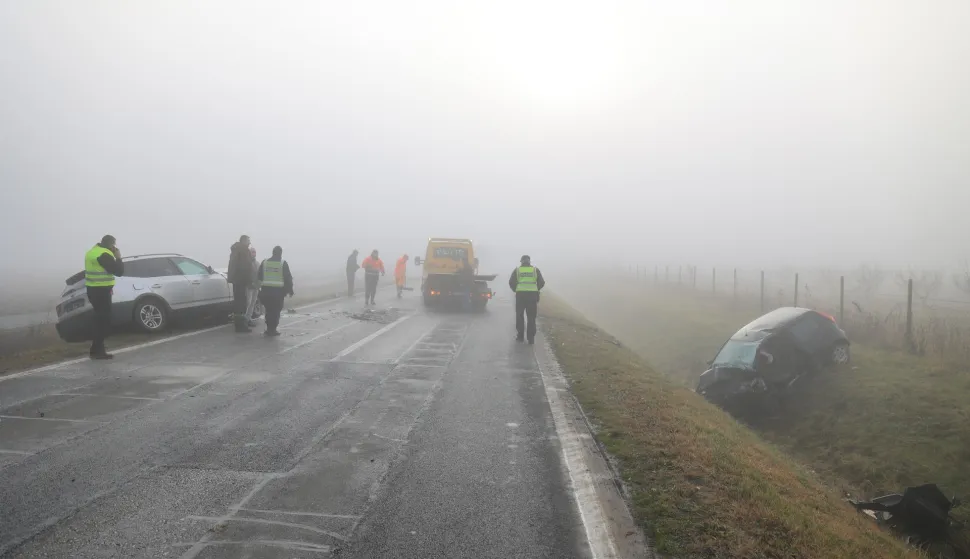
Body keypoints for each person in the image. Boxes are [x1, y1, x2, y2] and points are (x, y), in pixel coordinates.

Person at [84, 235, 124, 359]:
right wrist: (118, 258)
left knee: (100, 320)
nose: (114, 247)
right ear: (109, 244)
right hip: (101, 291)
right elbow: (119, 272)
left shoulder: (92, 251)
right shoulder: (104, 254)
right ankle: (97, 351)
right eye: (113, 245)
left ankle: (96, 349)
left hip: (92, 289)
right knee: (103, 321)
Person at [508, 255, 545, 344]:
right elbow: (542, 282)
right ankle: (531, 338)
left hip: (520, 296)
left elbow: (511, 282)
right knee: (531, 317)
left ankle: (520, 336)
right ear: (529, 262)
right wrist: (536, 289)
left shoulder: (517, 270)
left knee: (519, 316)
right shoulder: (535, 270)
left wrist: (516, 289)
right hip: (532, 296)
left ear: (521, 262)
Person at [257, 245, 294, 336]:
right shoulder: (283, 263)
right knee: (276, 311)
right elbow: (288, 278)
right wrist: (290, 290)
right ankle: (272, 329)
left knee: (269, 310)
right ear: (280, 253)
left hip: (266, 291)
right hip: (278, 292)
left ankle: (269, 328)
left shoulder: (264, 262)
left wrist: (258, 290)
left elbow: (259, 276)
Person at [228, 235, 253, 333]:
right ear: (244, 241)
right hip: (241, 280)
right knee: (241, 303)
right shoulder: (243, 250)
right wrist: (249, 280)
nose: (249, 243)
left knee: (238, 303)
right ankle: (241, 326)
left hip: (236, 280)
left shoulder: (236, 249)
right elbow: (245, 266)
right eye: (248, 241)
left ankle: (239, 325)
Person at [245, 245, 261, 327]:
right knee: (248, 303)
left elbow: (259, 274)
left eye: (254, 252)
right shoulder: (246, 263)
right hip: (249, 286)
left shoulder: (257, 263)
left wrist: (259, 284)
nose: (254, 253)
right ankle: (245, 319)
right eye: (252, 252)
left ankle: (248, 318)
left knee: (253, 303)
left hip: (255, 286)